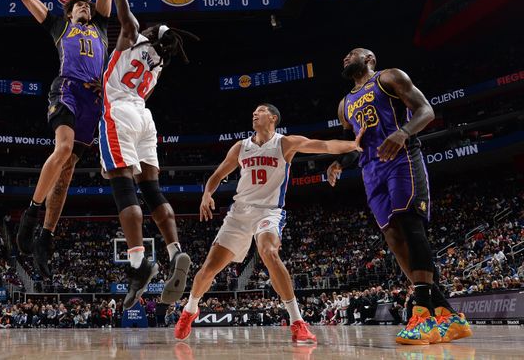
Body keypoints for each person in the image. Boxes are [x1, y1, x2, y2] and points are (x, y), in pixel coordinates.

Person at [174, 104, 364, 343]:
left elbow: (324, 145)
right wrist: (206, 194)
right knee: (208, 270)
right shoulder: (241, 147)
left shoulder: (285, 143)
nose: (254, 113)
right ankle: (190, 309)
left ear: (273, 118)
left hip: (269, 211)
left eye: (260, 110)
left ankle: (297, 322)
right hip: (239, 213)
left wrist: (353, 144)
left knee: (269, 252)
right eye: (253, 110)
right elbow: (217, 175)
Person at [326, 48, 472, 345]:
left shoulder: (389, 77)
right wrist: (339, 162)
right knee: (392, 237)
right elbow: (353, 142)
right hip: (370, 170)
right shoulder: (344, 105)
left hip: (400, 157)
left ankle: (422, 313)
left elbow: (426, 110)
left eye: (352, 53)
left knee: (409, 223)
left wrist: (403, 132)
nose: (345, 57)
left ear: (369, 59)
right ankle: (447, 313)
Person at [101, 0, 197, 309]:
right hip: (144, 115)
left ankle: (139, 264)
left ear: (151, 33)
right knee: (153, 188)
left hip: (121, 113)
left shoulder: (130, 35)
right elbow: (136, 89)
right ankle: (175, 252)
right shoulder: (158, 65)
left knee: (122, 186)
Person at [16, 0, 112, 277]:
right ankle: (31, 213)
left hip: (94, 102)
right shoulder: (60, 26)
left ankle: (46, 236)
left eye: (87, 4)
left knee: (67, 172)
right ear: (69, 11)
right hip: (67, 89)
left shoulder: (100, 26)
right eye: (79, 4)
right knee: (64, 147)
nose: (86, 5)